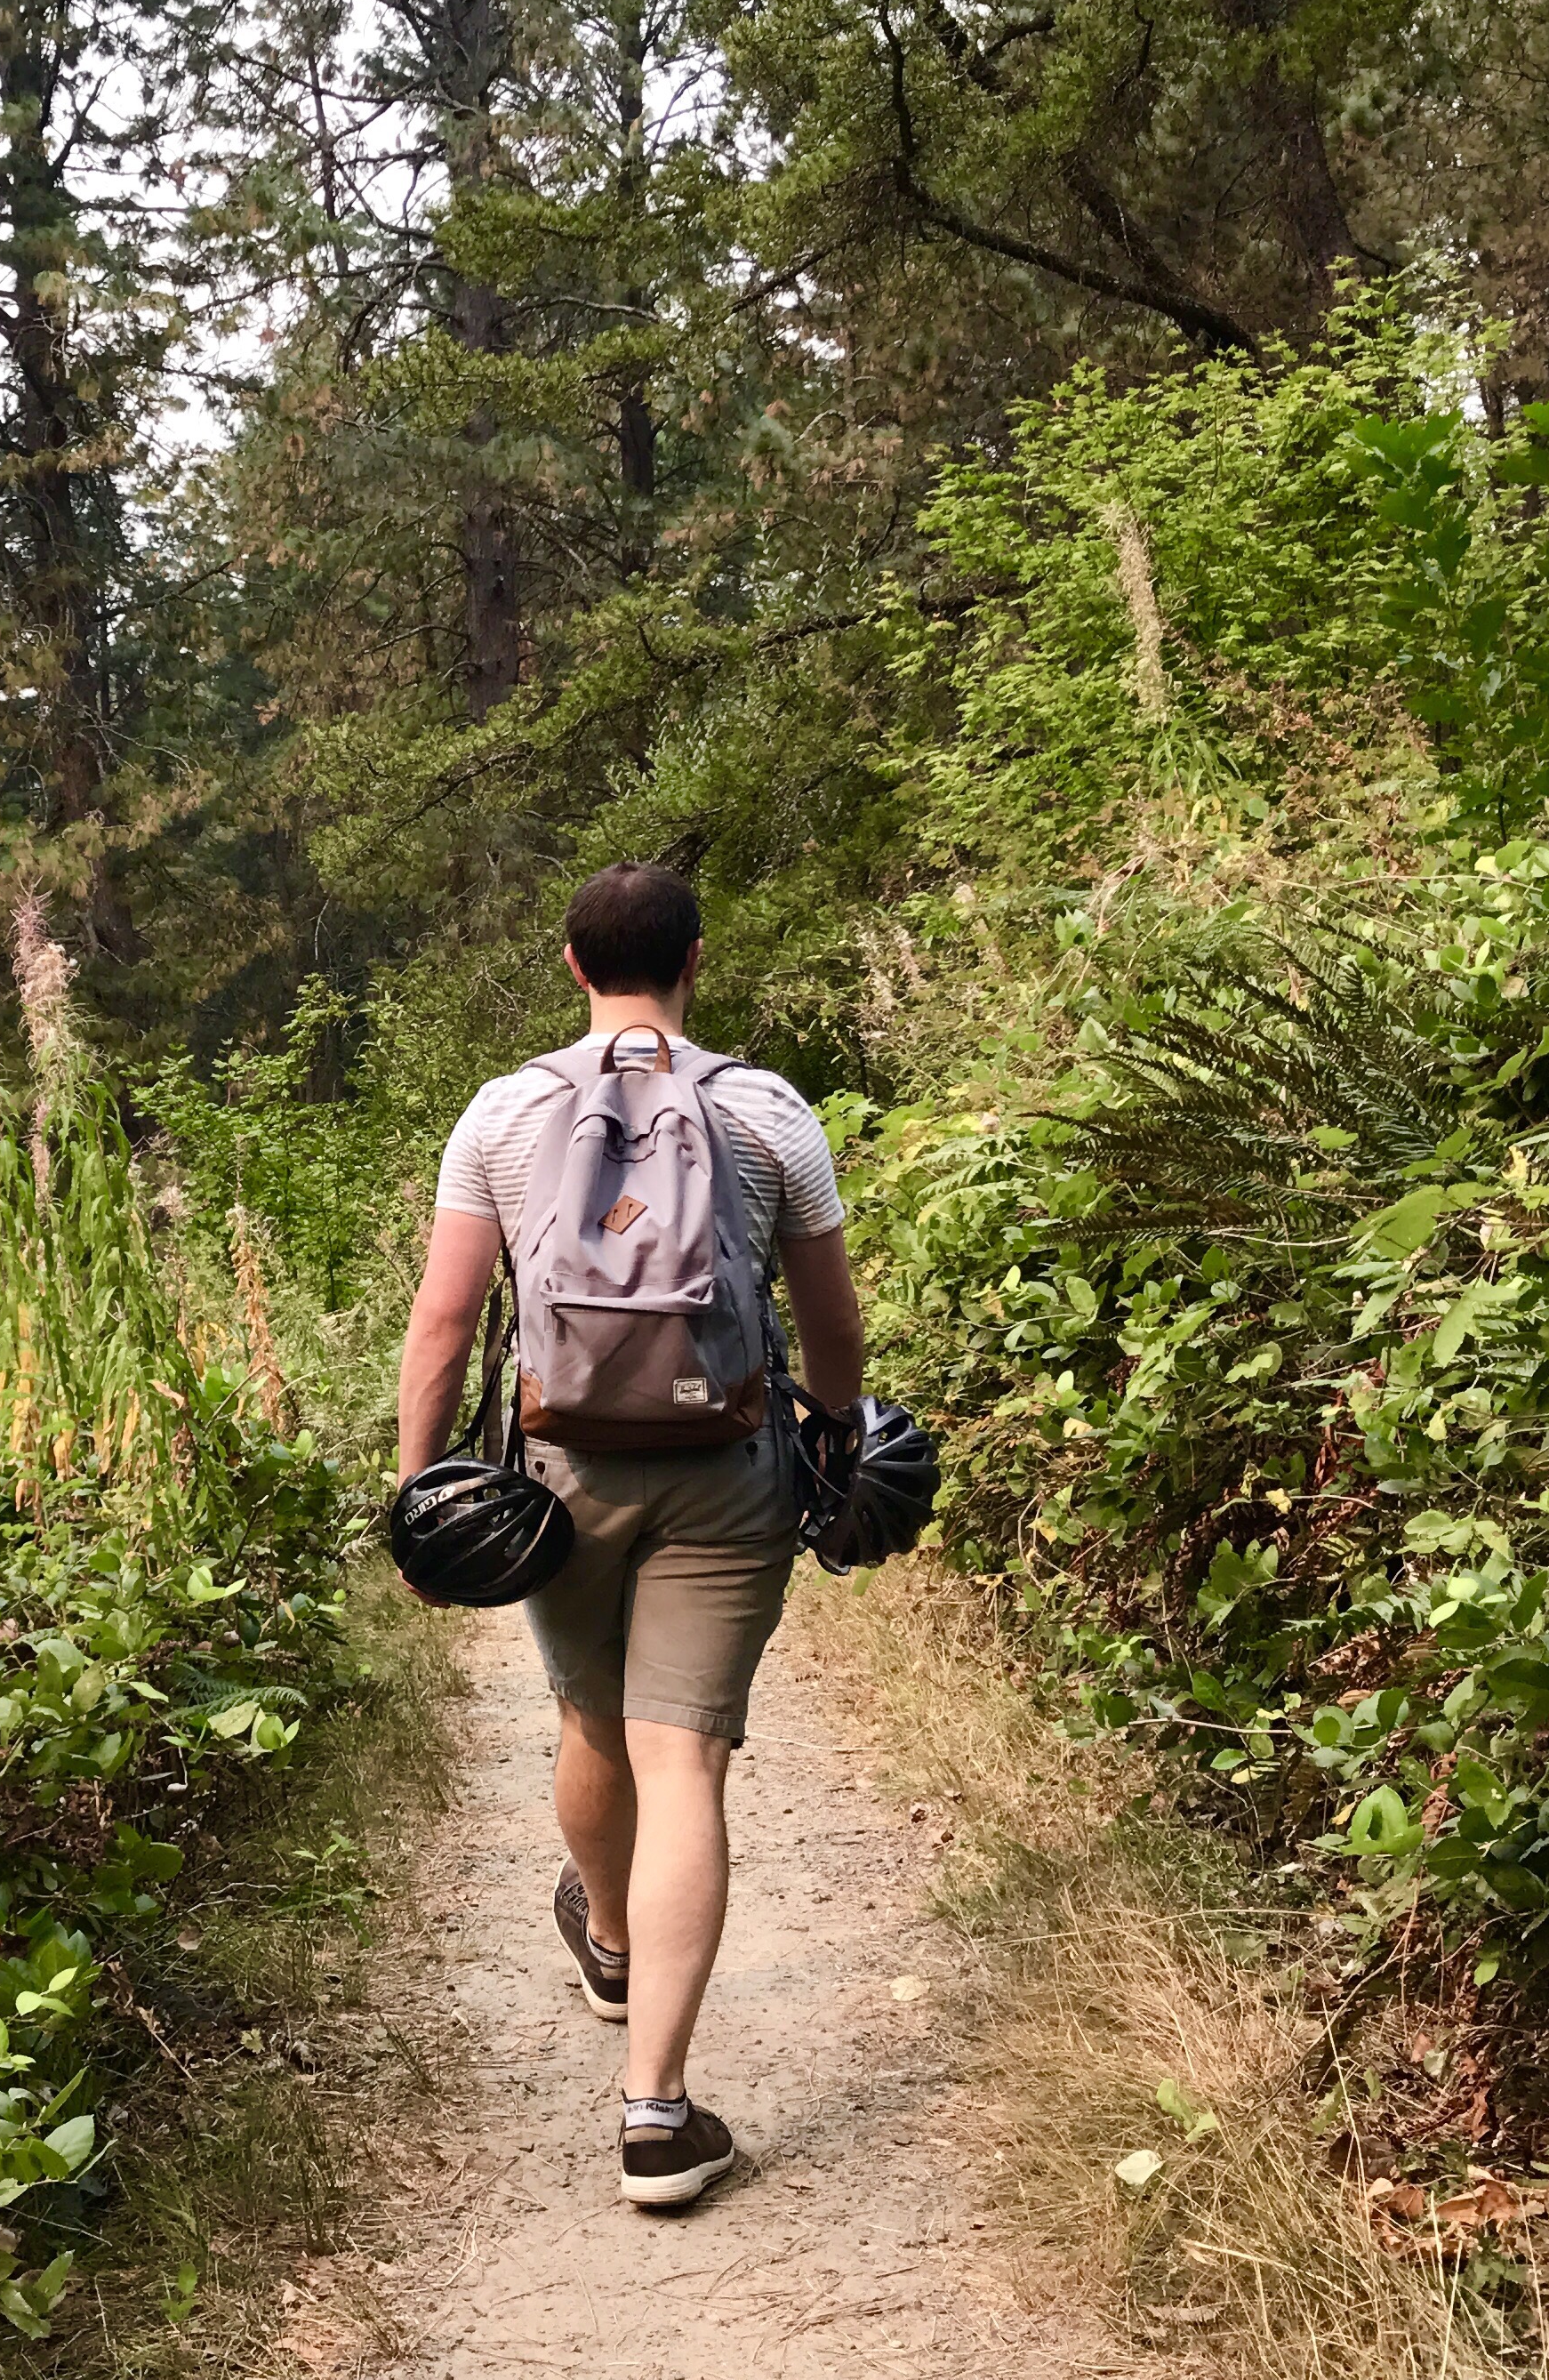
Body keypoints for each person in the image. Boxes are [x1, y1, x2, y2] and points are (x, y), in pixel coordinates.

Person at [393, 861, 866, 2208]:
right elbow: (830, 1324)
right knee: (687, 1764)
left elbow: (442, 1321)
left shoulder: (504, 1111)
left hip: (560, 1471)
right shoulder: (769, 1110)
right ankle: (656, 2115)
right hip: (731, 1470)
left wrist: (422, 1487)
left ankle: (606, 1936)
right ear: (696, 961)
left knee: (592, 1720)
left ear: (571, 964)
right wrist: (832, 1441)